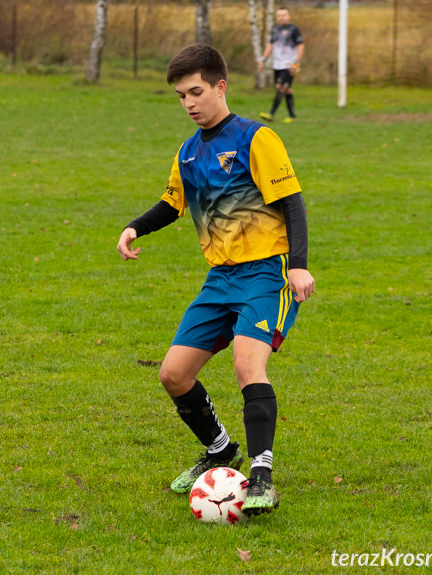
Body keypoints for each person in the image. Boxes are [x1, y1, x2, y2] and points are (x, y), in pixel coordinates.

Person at [116, 44, 314, 516]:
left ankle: (262, 476)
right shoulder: (188, 153)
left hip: (267, 273)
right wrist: (135, 226)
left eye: (197, 92)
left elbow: (292, 202)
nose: (189, 103)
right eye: (182, 96)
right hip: (219, 279)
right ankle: (222, 450)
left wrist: (299, 264)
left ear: (220, 86)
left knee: (249, 366)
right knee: (173, 374)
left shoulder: (256, 138)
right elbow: (172, 204)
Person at [258, 7, 304, 123]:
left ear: (288, 16)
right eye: (279, 15)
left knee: (280, 87)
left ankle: (271, 114)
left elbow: (300, 46)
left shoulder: (294, 30)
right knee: (287, 90)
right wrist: (263, 59)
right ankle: (292, 116)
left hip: (289, 65)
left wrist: (297, 63)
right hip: (277, 65)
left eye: (284, 15)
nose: (281, 18)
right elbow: (271, 45)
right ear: (276, 17)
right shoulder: (275, 30)